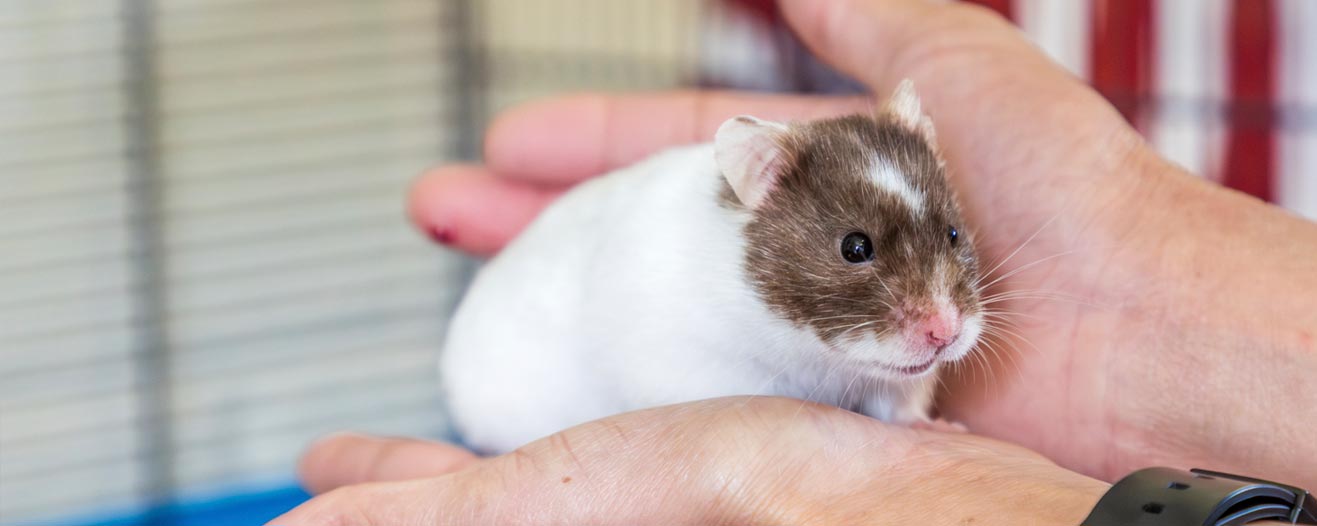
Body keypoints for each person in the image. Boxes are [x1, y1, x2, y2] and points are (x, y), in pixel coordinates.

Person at [268, 0, 1317, 523]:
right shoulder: (674, 266)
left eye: (949, 243)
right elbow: (650, 365)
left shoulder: (917, 256)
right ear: (756, 191)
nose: (940, 317)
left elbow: (924, 322)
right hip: (519, 390)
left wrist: (903, 418)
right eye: (860, 251)